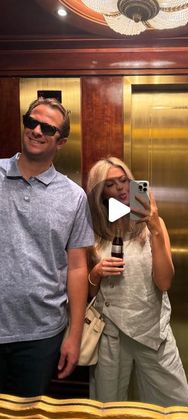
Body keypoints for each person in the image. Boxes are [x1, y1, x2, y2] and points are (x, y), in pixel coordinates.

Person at [0, 97, 94, 396]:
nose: (37, 131)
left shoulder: (73, 196)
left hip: (41, 335)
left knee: (27, 412)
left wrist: (75, 336)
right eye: (32, 122)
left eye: (48, 128)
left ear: (61, 141)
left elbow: (78, 268)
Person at [86, 156, 188, 407]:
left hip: (152, 330)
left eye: (124, 180)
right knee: (108, 407)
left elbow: (164, 283)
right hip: (110, 332)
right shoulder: (94, 232)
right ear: (101, 193)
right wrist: (97, 272)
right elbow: (89, 292)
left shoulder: (153, 226)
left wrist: (154, 226)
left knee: (176, 406)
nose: (121, 188)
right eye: (110, 184)